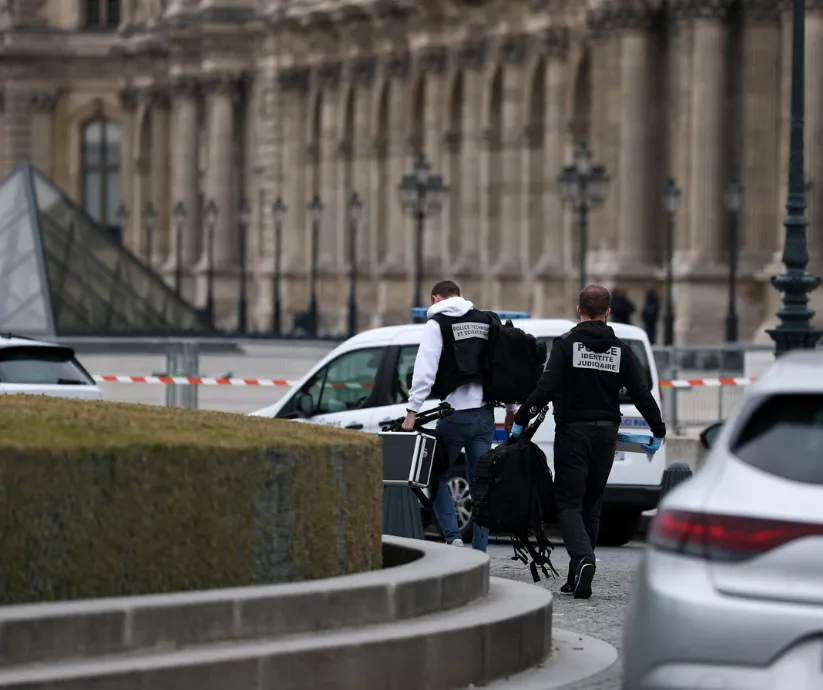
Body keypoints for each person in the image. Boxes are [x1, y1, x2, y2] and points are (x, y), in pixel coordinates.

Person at [510, 285, 666, 599]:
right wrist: (658, 428)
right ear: (607, 313)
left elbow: (546, 386)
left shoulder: (567, 344)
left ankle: (583, 559)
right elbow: (640, 392)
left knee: (568, 503)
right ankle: (578, 576)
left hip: (574, 433)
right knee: (592, 504)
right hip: (607, 435)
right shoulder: (620, 348)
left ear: (579, 310)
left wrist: (521, 417)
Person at [401, 280, 513, 551]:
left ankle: (453, 537)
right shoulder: (487, 320)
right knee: (481, 483)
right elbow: (503, 367)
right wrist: (511, 409)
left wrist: (412, 411)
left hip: (453, 415)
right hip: (485, 415)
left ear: (435, 298)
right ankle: (481, 547)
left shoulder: (437, 324)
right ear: (459, 296)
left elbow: (425, 371)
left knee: (435, 473)